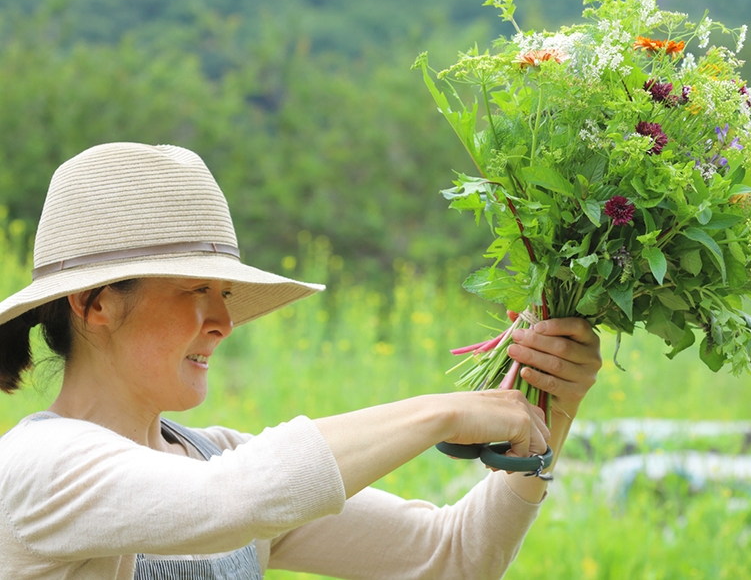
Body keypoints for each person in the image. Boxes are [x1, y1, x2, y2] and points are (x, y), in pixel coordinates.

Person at [0, 143, 602, 579]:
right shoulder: (36, 468)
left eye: (226, 295)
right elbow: (231, 501)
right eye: (194, 291)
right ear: (97, 304)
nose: (224, 322)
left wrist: (549, 404)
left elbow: (451, 555)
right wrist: (444, 413)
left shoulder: (214, 458)